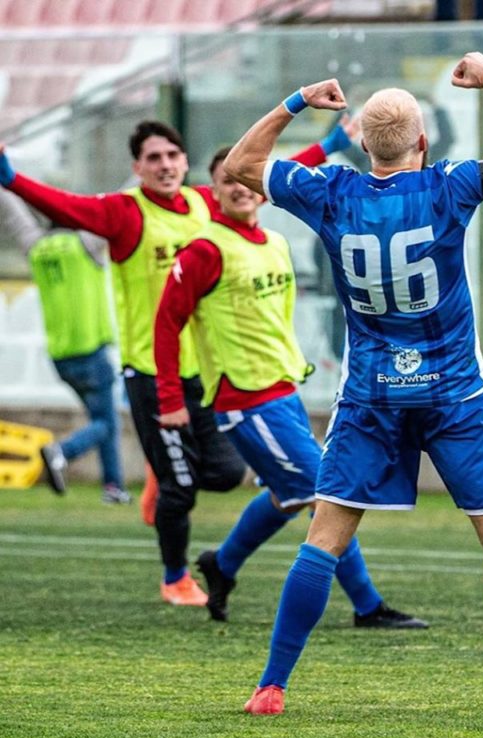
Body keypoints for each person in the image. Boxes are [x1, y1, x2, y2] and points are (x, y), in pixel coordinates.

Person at [222, 52, 483, 719]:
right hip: (455, 393)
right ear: (424, 141)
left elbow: (237, 166)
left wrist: (296, 101)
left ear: (364, 144)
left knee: (325, 538)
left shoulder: (330, 192)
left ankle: (271, 687)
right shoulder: (449, 186)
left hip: (372, 395)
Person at [0, 121, 346, 607]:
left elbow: (264, 176)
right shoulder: (125, 213)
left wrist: (329, 145)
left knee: (226, 475)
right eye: (153, 158)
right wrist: (10, 178)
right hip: (150, 374)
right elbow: (65, 207)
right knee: (181, 488)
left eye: (172, 156)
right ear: (137, 167)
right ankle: (175, 577)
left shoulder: (206, 202)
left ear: (184, 162)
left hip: (201, 376)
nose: (164, 165)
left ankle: (164, 472)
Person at [153, 146, 428, 630]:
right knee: (327, 493)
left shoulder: (276, 242)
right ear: (213, 190)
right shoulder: (203, 250)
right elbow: (166, 322)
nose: (238, 188)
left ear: (259, 188)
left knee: (289, 494)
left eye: (244, 180)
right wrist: (171, 400)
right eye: (225, 181)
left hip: (282, 391)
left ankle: (224, 563)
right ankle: (367, 605)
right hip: (244, 399)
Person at [0, 189, 130, 504]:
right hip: (91, 350)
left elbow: (15, 216)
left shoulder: (36, 247)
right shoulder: (85, 244)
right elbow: (120, 211)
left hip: (60, 356)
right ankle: (61, 452)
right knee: (105, 422)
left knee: (104, 420)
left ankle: (113, 487)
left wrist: (5, 182)